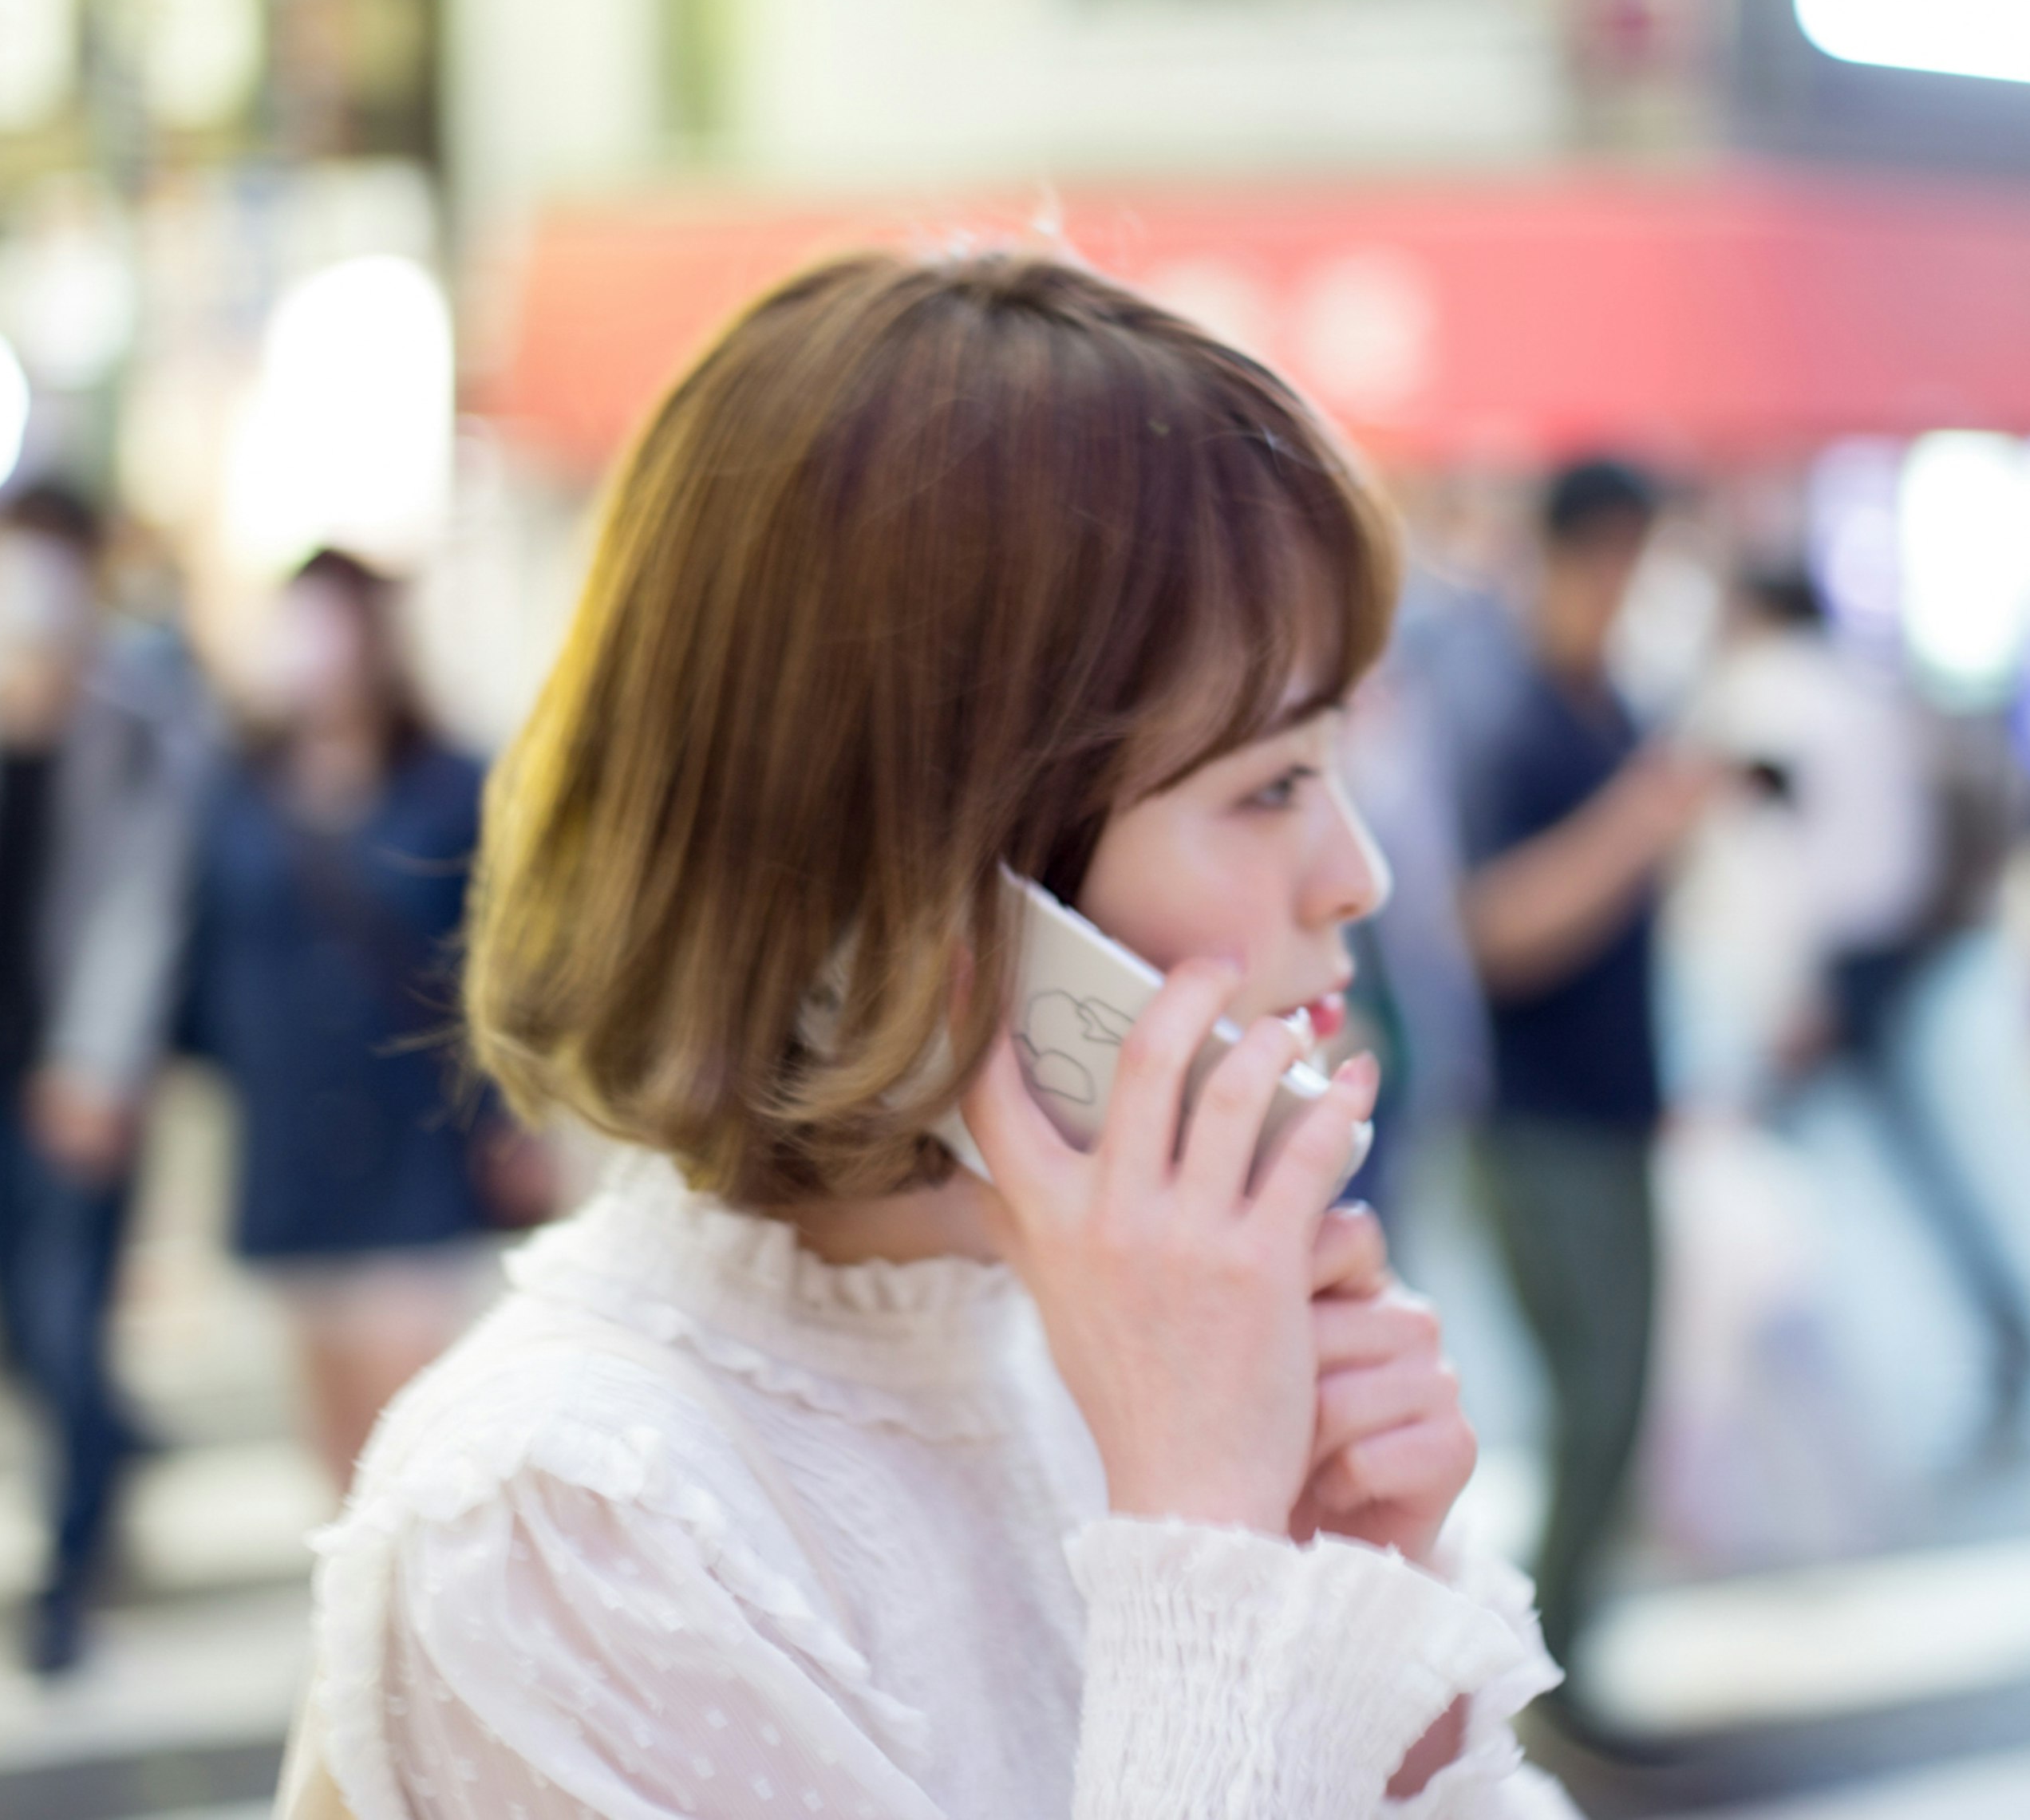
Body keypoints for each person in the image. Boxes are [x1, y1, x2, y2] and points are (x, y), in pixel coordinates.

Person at [273, 253, 1578, 1818]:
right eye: (1271, 786)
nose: (1355, 872)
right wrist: (1208, 1544)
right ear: (937, 878)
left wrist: (1363, 1583)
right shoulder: (575, 1512)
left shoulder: (1116, 1339)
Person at [0, 482, 211, 1674]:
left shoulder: (143, 717)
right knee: (7, 1329)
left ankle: (65, 1574)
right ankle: (108, 1441)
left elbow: (149, 903)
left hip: (84, 1084)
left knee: (68, 1322)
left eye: (61, 559)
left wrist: (100, 1068)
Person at [1453, 456, 1709, 1726]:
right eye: (1617, 558)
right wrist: (1642, 823)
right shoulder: (1505, 712)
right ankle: (1546, 1675)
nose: (1627, 586)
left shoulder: (1608, 703)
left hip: (1614, 1103)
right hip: (1533, 1114)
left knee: (1625, 1397)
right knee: (1596, 1394)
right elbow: (1490, 929)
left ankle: (1565, 1656)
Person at [184, 550, 519, 1491]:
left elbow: (493, 966)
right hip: (288, 1146)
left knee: (411, 1428)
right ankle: (356, 1622)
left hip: (413, 1141)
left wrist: (505, 1117)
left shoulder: (452, 786)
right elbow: (200, 950)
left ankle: (417, 1628)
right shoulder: (238, 784)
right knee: (332, 1437)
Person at [1692, 564, 2030, 1432]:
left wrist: (1798, 991)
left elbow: (1777, 857)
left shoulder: (1772, 693)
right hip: (1880, 949)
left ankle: (1779, 1385)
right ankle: (1996, 1328)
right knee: (1878, 1156)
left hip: (1832, 961)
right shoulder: (1846, 688)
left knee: (1757, 1167)